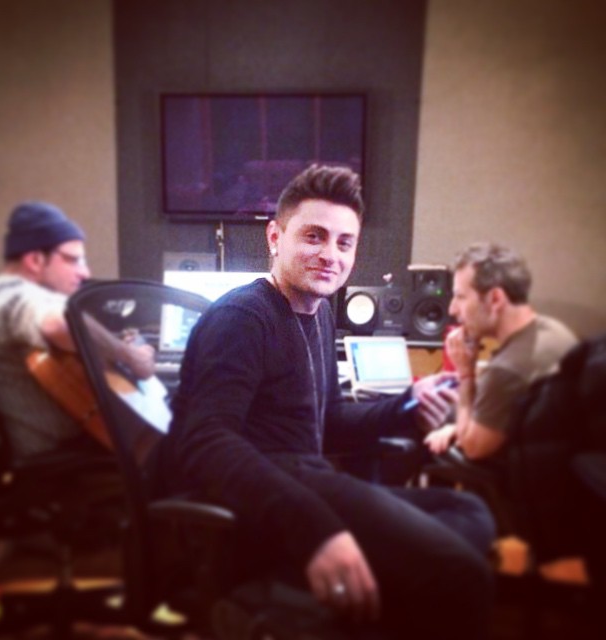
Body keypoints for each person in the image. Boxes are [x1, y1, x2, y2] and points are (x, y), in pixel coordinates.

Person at [149, 166, 495, 639]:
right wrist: (315, 529)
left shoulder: (320, 313)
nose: (330, 255)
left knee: (468, 514)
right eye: (314, 236)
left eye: (344, 242)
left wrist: (406, 406)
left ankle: (320, 609)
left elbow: (328, 422)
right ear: (276, 237)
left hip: (310, 482)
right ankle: (269, 604)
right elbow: (205, 443)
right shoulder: (241, 318)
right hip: (268, 500)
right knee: (461, 574)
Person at [0, 201, 154, 458]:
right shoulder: (7, 292)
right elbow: (61, 324)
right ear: (35, 260)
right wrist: (131, 356)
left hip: (72, 445)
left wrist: (112, 347)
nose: (84, 272)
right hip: (60, 456)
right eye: (73, 260)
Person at [424, 242, 578, 462]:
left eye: (460, 297)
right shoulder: (556, 330)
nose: (452, 309)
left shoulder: (506, 371)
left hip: (522, 475)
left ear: (495, 299)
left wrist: (466, 374)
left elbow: (472, 447)